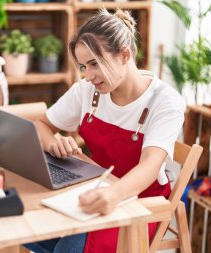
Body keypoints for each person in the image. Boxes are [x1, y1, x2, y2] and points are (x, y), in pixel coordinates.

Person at [25, 7, 185, 253]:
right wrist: (53, 143)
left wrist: (113, 195)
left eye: (94, 64)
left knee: (67, 248)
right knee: (27, 228)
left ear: (123, 55)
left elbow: (151, 166)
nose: (88, 76)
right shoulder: (87, 91)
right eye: (82, 67)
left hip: (138, 202)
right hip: (92, 188)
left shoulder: (165, 101)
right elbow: (42, 125)